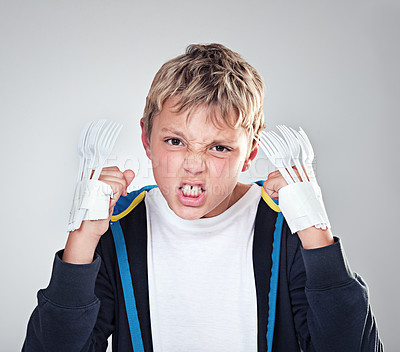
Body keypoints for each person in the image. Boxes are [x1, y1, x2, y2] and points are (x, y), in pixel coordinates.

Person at [23, 43, 383, 351]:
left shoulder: (286, 226)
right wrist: (82, 241)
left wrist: (315, 233)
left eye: (219, 147)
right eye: (175, 141)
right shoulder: (115, 226)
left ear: (251, 153)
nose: (193, 165)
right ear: (147, 140)